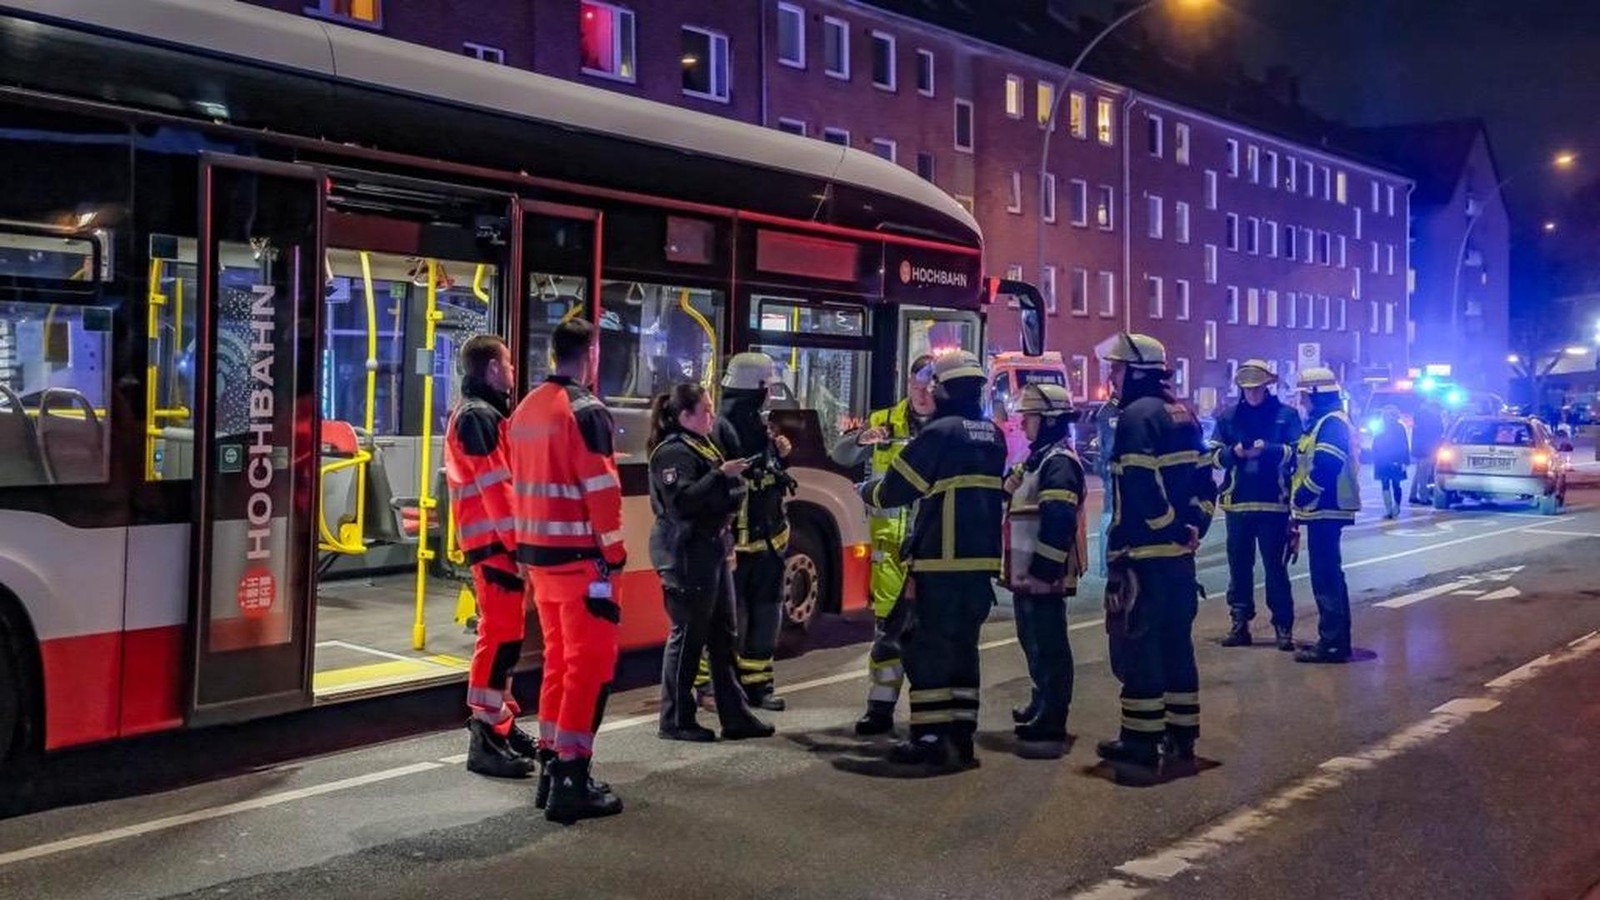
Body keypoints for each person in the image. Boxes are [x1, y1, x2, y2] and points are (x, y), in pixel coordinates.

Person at [858, 350, 1007, 771]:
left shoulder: (940, 433)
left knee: (926, 650)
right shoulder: (991, 435)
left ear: (944, 389)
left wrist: (865, 491)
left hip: (939, 561)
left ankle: (928, 737)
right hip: (979, 566)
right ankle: (961, 736)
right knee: (963, 650)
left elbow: (895, 490)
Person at [508, 319, 625, 824]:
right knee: (589, 669)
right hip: (581, 561)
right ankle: (572, 780)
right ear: (591, 354)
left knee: (559, 663)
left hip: (539, 559)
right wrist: (615, 555)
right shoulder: (584, 409)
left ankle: (553, 767)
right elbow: (602, 492)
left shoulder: (526, 409)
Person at [1095, 332, 1215, 774]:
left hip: (1144, 555)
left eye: (1117, 369)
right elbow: (1206, 481)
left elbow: (1141, 487)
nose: (1112, 377)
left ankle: (1140, 741)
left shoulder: (1135, 418)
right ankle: (1181, 735)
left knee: (1140, 645)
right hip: (1179, 555)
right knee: (1176, 644)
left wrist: (1162, 527)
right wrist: (1192, 528)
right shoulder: (1185, 414)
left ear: (1137, 372)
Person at [648, 382, 777, 743]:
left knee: (723, 636)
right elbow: (682, 503)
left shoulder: (702, 443)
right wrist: (721, 475)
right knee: (688, 638)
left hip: (711, 550)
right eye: (704, 409)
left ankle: (735, 715)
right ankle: (675, 719)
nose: (711, 415)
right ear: (684, 415)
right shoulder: (672, 452)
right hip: (685, 554)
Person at [443, 334, 536, 779]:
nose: (514, 372)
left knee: (507, 638)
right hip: (496, 546)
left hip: (497, 543)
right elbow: (497, 489)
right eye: (510, 364)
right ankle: (485, 733)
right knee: (499, 639)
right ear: (494, 369)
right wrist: (520, 545)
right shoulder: (479, 417)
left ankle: (500, 723)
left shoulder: (483, 414)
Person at [830, 354, 937, 736]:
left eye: (930, 387)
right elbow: (839, 454)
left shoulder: (946, 427)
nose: (923, 394)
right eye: (918, 386)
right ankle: (879, 708)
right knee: (887, 636)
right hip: (890, 552)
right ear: (907, 384)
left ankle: (927, 717)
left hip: (930, 550)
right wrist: (862, 439)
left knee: (927, 641)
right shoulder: (883, 421)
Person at [1001, 382, 1087, 759]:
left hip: (1042, 576)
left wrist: (1044, 569)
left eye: (1030, 417)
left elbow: (1059, 519)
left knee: (1049, 645)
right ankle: (1041, 703)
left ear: (1049, 420)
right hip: (1028, 576)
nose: (1023, 424)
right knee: (1032, 641)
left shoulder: (1060, 464)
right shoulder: (1039, 460)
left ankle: (1053, 715)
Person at [707, 352, 795, 712]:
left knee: (764, 613)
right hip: (739, 543)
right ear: (758, 389)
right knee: (731, 619)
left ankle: (756, 685)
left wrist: (779, 455)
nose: (770, 396)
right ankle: (721, 688)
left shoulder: (749, 423)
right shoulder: (726, 426)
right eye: (768, 388)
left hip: (765, 539)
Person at [1210, 359, 1302, 651]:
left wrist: (1270, 450)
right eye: (1246, 388)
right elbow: (1211, 456)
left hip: (1273, 504)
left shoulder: (1285, 416)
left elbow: (1298, 453)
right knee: (1239, 568)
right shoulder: (1228, 417)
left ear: (1267, 386)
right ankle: (1239, 623)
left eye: (1256, 387)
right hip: (1237, 504)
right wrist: (1233, 453)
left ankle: (1283, 626)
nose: (1251, 393)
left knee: (1276, 568)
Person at [1289, 366, 1361, 664]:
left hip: (1326, 508)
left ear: (1316, 394)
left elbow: (1327, 465)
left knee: (1326, 575)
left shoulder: (1331, 423)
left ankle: (1332, 643)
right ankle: (1333, 639)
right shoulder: (1326, 421)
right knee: (1328, 574)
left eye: (1305, 395)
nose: (1302, 400)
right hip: (1324, 509)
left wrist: (1303, 493)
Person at [1372, 406, 1411, 519]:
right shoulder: (1383, 427)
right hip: (1386, 460)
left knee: (1394, 484)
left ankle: (1395, 507)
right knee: (1387, 484)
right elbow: (1375, 443)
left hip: (1391, 460)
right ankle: (1390, 508)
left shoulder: (1398, 427)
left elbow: (1403, 444)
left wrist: (1404, 460)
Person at [1409, 401, 1445, 505]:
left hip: (1418, 449)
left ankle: (1413, 495)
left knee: (1418, 473)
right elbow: (1439, 433)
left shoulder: (1418, 416)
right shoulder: (1434, 419)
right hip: (1427, 450)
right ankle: (1423, 498)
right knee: (1424, 474)